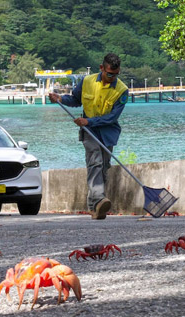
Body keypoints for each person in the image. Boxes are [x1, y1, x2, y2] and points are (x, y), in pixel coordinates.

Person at [48, 53, 128, 220]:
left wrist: (88, 121)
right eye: (109, 73)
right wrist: (60, 98)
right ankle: (99, 199)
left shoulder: (122, 91)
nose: (112, 77)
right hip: (89, 132)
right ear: (101, 68)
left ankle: (95, 207)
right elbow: (75, 100)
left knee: (104, 167)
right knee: (95, 162)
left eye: (116, 74)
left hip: (107, 131)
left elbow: (112, 117)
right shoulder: (86, 81)